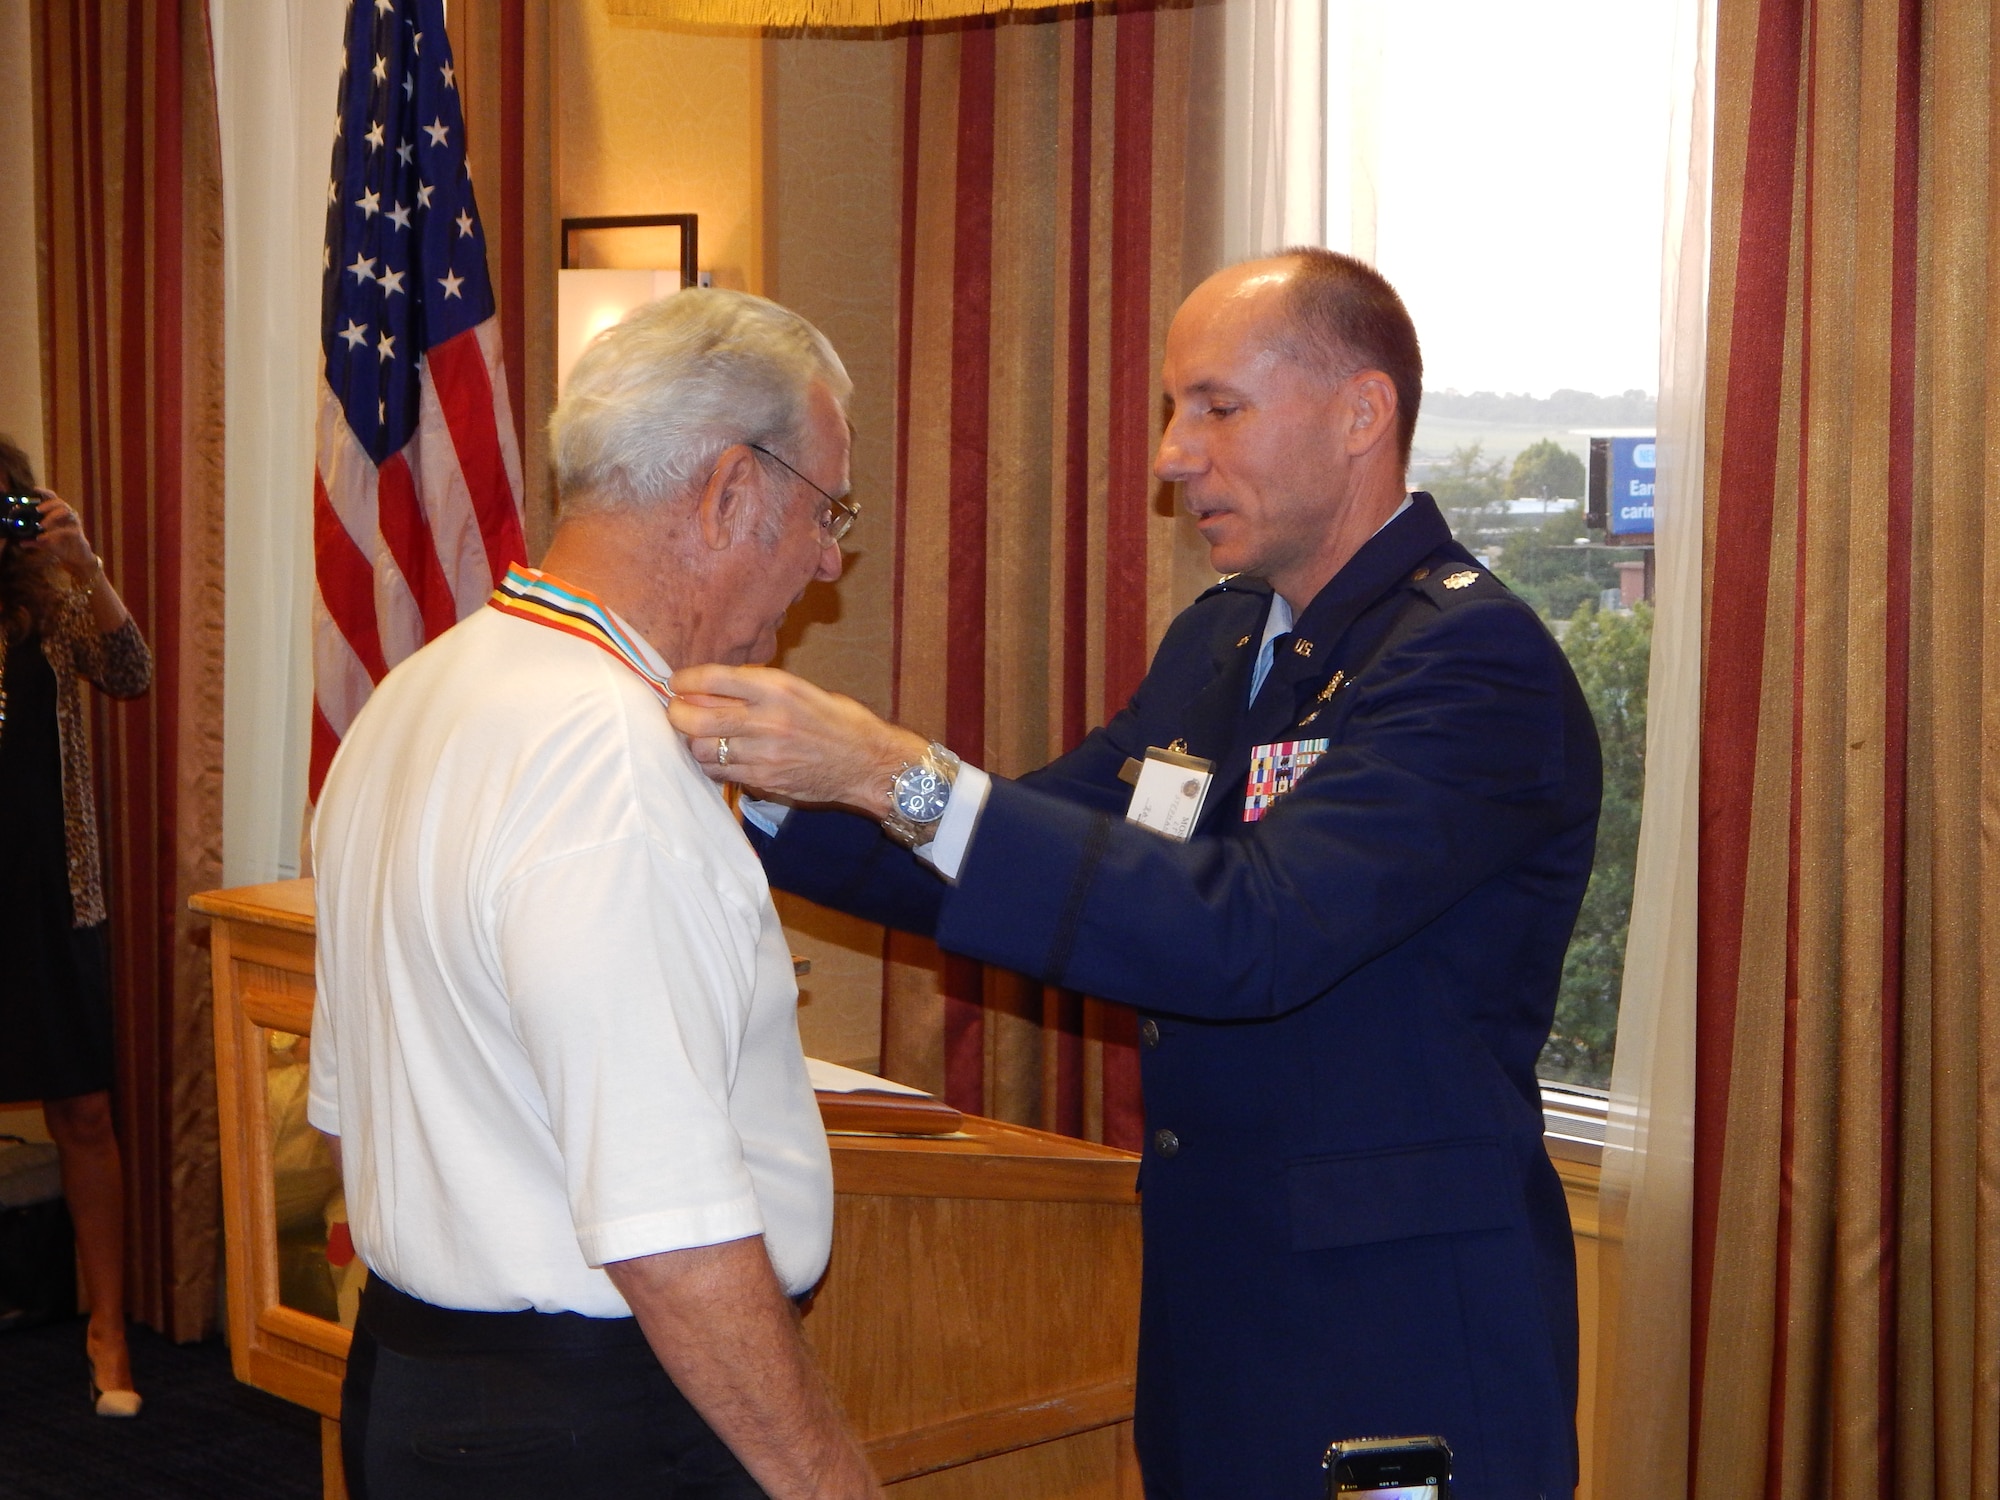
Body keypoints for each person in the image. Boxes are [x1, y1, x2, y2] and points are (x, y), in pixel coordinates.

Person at [666, 250, 1603, 1499]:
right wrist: (765, 792)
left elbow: (1251, 933)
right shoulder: (1219, 638)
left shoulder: (1470, 665)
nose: (1170, 453)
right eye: (1174, 409)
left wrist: (890, 769)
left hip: (1393, 1346)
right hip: (1216, 1329)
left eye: (1215, 407)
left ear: (1360, 415)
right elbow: (1010, 851)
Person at [308, 291, 880, 1499]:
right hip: (596, 1423)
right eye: (824, 511)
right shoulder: (609, 756)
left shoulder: (416, 695)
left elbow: (345, 1115)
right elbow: (666, 1230)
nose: (830, 558)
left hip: (417, 1381)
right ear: (730, 492)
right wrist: (830, 1480)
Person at [0, 435, 152, 1417]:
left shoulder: (48, 600)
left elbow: (130, 673)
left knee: (85, 1114)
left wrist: (85, 565)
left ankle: (108, 1334)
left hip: (52, 893)